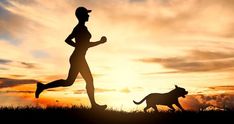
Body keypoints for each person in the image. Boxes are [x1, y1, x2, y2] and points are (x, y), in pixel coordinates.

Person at [35, 6, 107, 110]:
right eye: (86, 14)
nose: (88, 15)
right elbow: (69, 40)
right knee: (88, 80)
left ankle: (42, 87)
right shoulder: (79, 28)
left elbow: (82, 44)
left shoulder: (82, 28)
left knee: (69, 82)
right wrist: (97, 43)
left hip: (79, 58)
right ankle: (94, 106)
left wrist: (87, 45)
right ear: (81, 16)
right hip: (78, 58)